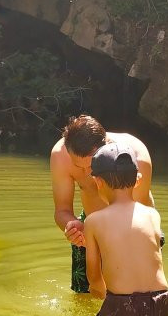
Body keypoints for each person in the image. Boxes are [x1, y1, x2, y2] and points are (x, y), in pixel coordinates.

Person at [84, 141, 168, 316]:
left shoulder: (94, 221)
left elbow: (93, 273)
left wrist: (99, 292)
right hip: (161, 304)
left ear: (98, 182)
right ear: (138, 180)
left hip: (122, 307)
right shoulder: (153, 215)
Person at [50, 114, 157, 293]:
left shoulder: (135, 158)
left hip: (135, 227)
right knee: (85, 296)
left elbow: (135, 216)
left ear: (107, 147)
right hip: (90, 226)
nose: (87, 174)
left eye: (91, 166)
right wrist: (73, 228)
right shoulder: (60, 156)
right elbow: (62, 210)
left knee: (140, 293)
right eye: (79, 167)